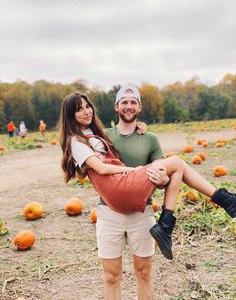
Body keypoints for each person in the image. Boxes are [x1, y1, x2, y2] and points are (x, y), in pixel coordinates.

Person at [60, 88, 236, 299]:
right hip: (113, 204)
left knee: (144, 273)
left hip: (139, 209)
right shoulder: (98, 136)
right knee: (178, 162)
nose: (86, 111)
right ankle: (196, 210)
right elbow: (95, 169)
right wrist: (135, 169)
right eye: (79, 110)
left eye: (88, 106)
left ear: (139, 107)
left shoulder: (134, 137)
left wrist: (162, 179)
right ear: (116, 107)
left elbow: (164, 180)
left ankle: (178, 218)